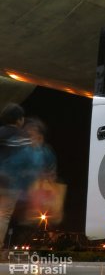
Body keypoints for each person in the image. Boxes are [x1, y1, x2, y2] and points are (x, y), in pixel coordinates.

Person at [0, 103, 32, 246]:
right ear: (19, 120)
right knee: (3, 216)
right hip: (11, 183)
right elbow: (28, 162)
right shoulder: (24, 137)